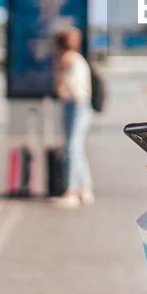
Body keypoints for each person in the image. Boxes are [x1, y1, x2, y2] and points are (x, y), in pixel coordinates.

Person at [52, 26, 94, 208]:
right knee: (76, 147)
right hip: (83, 104)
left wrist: (58, 73)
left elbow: (62, 88)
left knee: (71, 147)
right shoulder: (78, 59)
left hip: (74, 104)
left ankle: (72, 191)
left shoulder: (67, 60)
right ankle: (85, 188)